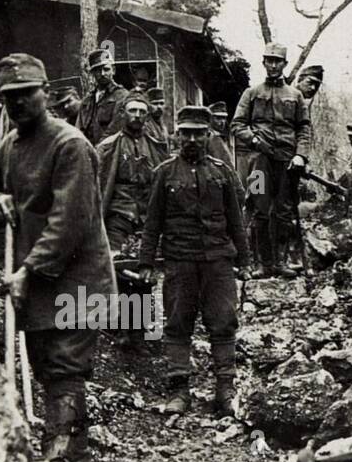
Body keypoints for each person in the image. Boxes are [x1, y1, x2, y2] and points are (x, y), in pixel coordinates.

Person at [0, 53, 115, 462]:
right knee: (48, 369)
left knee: (64, 369)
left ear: (45, 94)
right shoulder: (9, 147)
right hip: (35, 280)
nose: (18, 105)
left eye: (26, 95)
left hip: (77, 280)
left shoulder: (71, 145)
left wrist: (28, 270)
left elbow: (69, 222)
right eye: (9, 98)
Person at [138, 106, 250, 417]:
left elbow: (235, 220)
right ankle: (178, 390)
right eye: (185, 132)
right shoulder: (164, 174)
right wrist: (146, 261)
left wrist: (245, 260)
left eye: (198, 133)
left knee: (224, 321)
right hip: (180, 259)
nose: (191, 139)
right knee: (177, 323)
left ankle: (225, 389)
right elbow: (153, 222)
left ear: (208, 135)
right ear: (177, 135)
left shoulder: (222, 172)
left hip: (217, 259)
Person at [230, 42, 311, 278]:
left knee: (284, 211)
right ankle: (261, 263)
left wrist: (300, 155)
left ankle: (280, 262)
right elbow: (237, 124)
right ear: (264, 62)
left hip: (287, 162)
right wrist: (254, 141)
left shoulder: (295, 96)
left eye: (278, 61)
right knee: (258, 208)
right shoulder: (251, 93)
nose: (273, 65)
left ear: (284, 65)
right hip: (258, 161)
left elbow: (304, 129)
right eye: (269, 60)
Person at [96, 91, 168, 253]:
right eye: (133, 110)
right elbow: (98, 186)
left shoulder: (157, 147)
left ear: (148, 116)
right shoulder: (107, 147)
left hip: (148, 218)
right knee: (116, 259)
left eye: (142, 112)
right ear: (122, 113)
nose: (137, 115)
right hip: (118, 216)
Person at [76, 48, 129, 145]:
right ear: (92, 73)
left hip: (110, 151)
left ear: (113, 70)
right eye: (97, 71)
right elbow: (79, 129)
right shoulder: (87, 101)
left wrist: (98, 149)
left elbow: (115, 129)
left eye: (106, 69)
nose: (102, 74)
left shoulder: (122, 96)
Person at [206, 102, 236, 168]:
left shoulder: (226, 136)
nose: (222, 122)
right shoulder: (211, 137)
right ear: (210, 119)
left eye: (224, 118)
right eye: (218, 118)